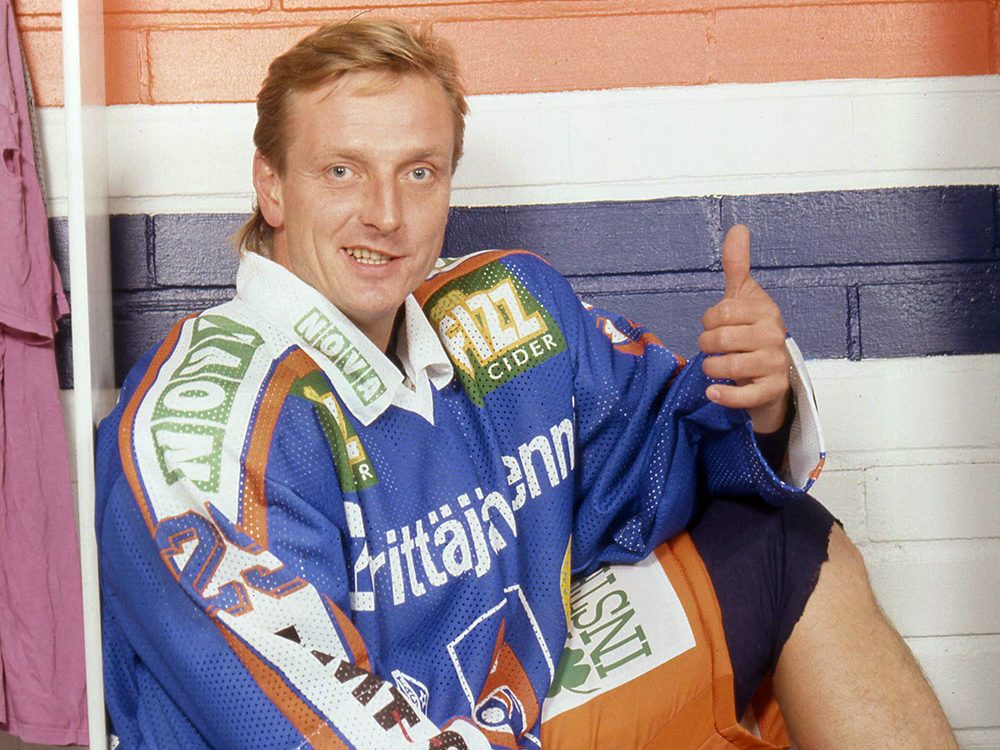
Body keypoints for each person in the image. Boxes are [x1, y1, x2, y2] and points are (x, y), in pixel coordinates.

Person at [95, 19, 957, 750]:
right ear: (272, 186)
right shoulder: (202, 423)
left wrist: (756, 397)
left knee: (789, 542)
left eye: (419, 171)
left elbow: (666, 456)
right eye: (342, 171)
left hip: (514, 708)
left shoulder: (504, 306)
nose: (386, 215)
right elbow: (307, 730)